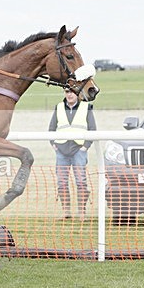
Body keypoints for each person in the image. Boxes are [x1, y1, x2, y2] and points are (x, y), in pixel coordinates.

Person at [49, 88, 97, 219]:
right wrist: (53, 143)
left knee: (81, 182)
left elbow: (92, 129)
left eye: (72, 92)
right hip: (61, 150)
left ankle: (82, 212)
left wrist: (85, 146)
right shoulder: (58, 107)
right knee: (62, 182)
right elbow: (51, 128)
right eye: (67, 92)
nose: (69, 94)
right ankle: (66, 212)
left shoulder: (86, 107)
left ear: (77, 94)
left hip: (79, 149)